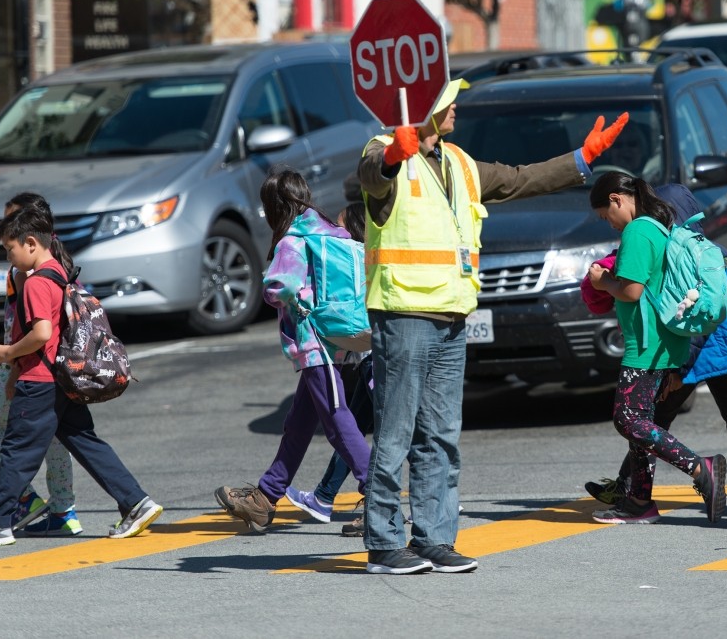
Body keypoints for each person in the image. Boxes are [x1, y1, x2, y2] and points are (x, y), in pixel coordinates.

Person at [358, 78, 629, 575]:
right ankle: (382, 544)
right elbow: (375, 180)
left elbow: (522, 178)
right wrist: (396, 155)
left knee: (440, 435)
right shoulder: (383, 150)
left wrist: (582, 159)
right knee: (396, 434)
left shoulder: (460, 163)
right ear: (427, 106)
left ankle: (435, 539)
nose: (457, 106)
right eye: (448, 99)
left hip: (452, 314)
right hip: (403, 313)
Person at [583, 184, 727, 520]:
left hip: (726, 325)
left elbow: (691, 322)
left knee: (663, 409)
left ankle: (635, 488)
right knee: (697, 409)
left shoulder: (677, 252)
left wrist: (679, 370)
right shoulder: (695, 245)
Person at [0, 205, 162, 546]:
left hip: (39, 381)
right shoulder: (58, 272)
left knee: (17, 451)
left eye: (10, 248)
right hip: (62, 380)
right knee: (86, 442)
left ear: (31, 243)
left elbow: (41, 333)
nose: (9, 256)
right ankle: (136, 502)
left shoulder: (36, 282)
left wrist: (8, 354)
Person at [215, 172, 372, 534]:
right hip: (335, 337)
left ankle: (378, 490)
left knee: (336, 419)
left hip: (313, 343)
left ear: (275, 208)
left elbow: (282, 286)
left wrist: (270, 289)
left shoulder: (293, 240)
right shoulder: (332, 230)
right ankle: (266, 498)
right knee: (298, 424)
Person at [584, 173, 727, 526]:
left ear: (617, 199)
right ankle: (638, 501)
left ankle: (699, 467)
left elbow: (631, 291)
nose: (609, 224)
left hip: (645, 343)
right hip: (663, 340)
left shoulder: (637, 231)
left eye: (606, 215)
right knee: (643, 422)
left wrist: (601, 281)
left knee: (628, 419)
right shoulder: (658, 226)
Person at [0, 192, 81, 536]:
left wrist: (13, 365)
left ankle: (21, 501)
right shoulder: (43, 263)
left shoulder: (32, 273)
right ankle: (64, 510)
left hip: (31, 364)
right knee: (57, 438)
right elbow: (15, 319)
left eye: (11, 223)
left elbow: (39, 329)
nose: (6, 231)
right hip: (27, 361)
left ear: (29, 231)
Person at [286, 201, 375, 537]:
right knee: (354, 425)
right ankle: (324, 496)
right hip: (367, 355)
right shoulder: (353, 257)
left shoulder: (355, 258)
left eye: (340, 227)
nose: (334, 233)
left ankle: (405, 497)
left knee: (387, 430)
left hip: (375, 355)